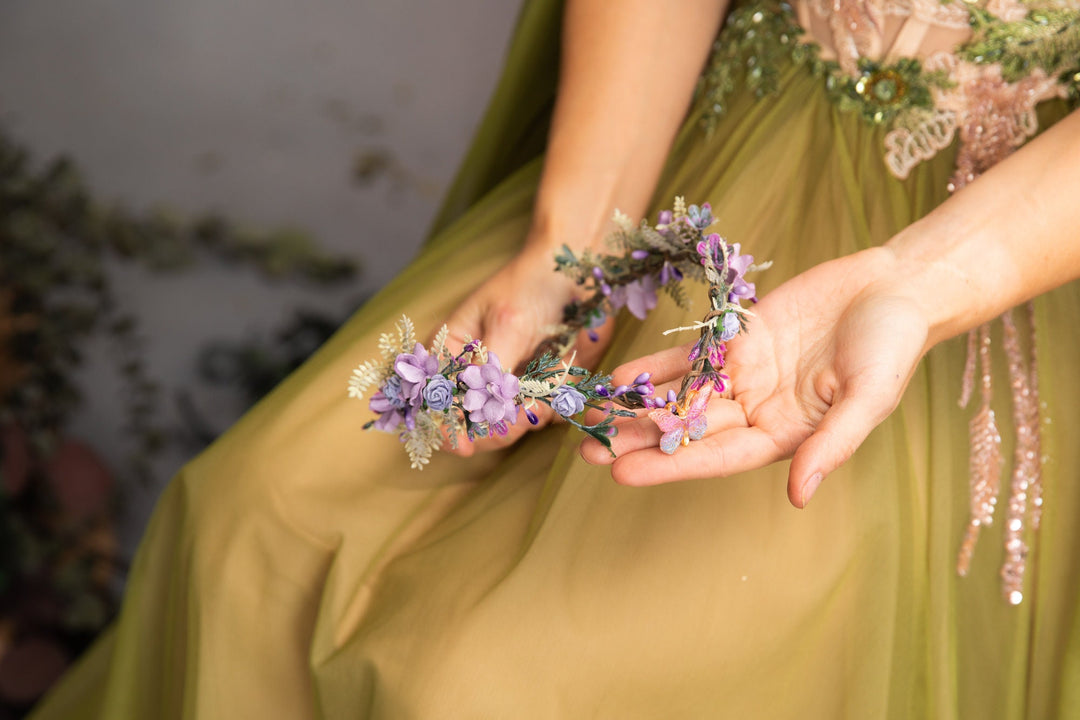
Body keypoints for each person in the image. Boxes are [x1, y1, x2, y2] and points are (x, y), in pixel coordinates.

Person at [32, 0, 1080, 717]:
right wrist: (573, 244)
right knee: (251, 521)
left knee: (490, 684)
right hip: (703, 154)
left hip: (1003, 246)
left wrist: (918, 281)